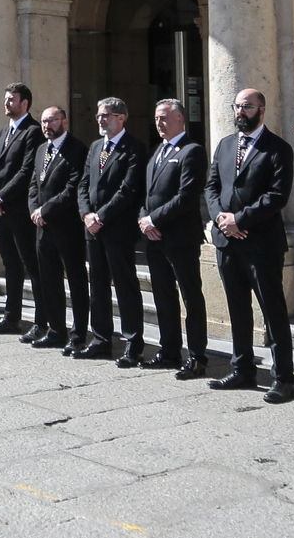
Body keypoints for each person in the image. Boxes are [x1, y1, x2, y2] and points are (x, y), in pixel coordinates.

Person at [208, 88, 294, 401]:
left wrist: (239, 220)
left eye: (247, 106)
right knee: (237, 308)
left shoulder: (278, 148)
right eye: (237, 106)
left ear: (262, 109)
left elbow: (276, 196)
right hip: (227, 241)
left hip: (261, 243)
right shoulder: (226, 144)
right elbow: (212, 186)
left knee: (272, 310)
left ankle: (283, 377)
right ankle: (243, 369)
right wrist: (221, 219)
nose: (240, 112)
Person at [137, 98, 209, 379]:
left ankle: (197, 356)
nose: (159, 123)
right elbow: (147, 195)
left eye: (165, 118)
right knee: (163, 296)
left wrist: (154, 219)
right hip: (154, 239)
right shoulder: (156, 152)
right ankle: (169, 351)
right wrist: (145, 219)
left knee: (191, 296)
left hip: (180, 238)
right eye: (156, 118)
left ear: (180, 119)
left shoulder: (192, 151)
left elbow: (187, 197)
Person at [79, 96, 146, 363]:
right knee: (97, 285)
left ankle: (132, 342)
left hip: (117, 228)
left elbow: (128, 190)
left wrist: (101, 216)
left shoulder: (134, 148)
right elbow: (83, 184)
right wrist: (86, 214)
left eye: (105, 115)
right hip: (92, 229)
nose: (100, 120)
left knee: (125, 285)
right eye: (98, 116)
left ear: (121, 117)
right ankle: (101, 339)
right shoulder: (95, 147)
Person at [27, 105, 90, 353]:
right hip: (43, 228)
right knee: (49, 280)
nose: (47, 126)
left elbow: (73, 188)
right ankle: (55, 330)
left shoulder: (77, 149)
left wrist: (46, 210)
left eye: (52, 121)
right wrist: (34, 208)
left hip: (67, 227)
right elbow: (34, 184)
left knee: (75, 280)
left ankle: (78, 334)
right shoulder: (42, 149)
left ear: (64, 122)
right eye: (44, 121)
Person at [0, 83, 44, 337]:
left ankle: (42, 320)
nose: (6, 103)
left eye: (12, 100)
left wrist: (1, 197)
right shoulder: (3, 131)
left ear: (25, 104)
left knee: (32, 264)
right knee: (10, 264)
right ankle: (11, 316)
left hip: (18, 209)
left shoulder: (33, 132)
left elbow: (26, 171)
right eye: (5, 99)